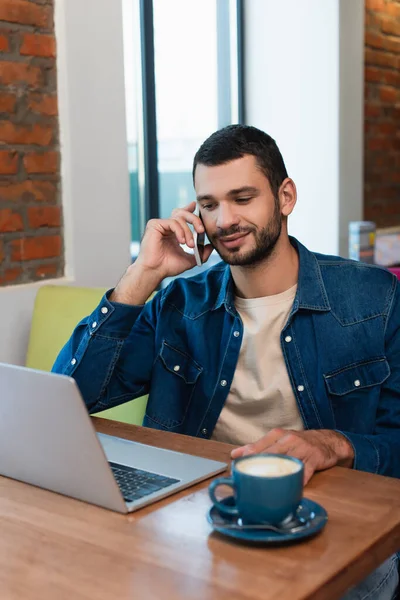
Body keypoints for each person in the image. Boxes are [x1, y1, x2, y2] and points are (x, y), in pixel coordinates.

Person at [53, 125, 399, 599]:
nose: (225, 219)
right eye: (209, 204)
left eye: (242, 198)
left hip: (334, 523)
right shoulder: (178, 303)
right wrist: (144, 274)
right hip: (200, 517)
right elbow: (70, 397)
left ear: (285, 197)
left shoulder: (374, 298)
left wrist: (335, 444)